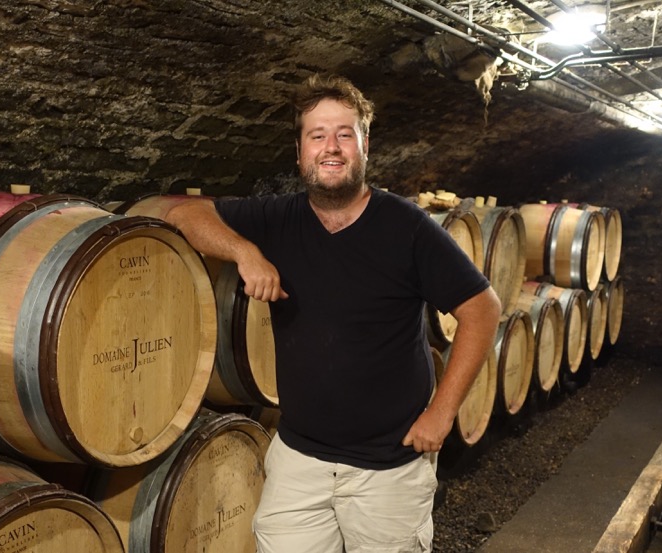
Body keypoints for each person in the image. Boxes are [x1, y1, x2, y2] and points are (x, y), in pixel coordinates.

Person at [163, 74, 501, 553]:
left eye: (345, 134)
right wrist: (244, 252)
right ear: (300, 151)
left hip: (388, 466)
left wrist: (442, 414)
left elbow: (483, 309)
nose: (332, 147)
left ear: (365, 145)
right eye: (317, 135)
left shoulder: (407, 227)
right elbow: (183, 215)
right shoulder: (277, 217)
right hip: (300, 459)